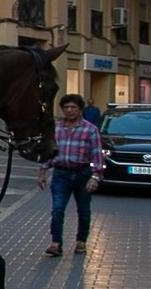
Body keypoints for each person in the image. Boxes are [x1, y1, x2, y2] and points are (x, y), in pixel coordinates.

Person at [39, 93, 105, 256]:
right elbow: (49, 153)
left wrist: (95, 176)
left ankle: (81, 241)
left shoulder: (90, 130)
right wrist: (42, 172)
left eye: (73, 107)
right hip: (61, 174)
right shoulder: (56, 128)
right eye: (66, 107)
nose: (69, 110)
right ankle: (56, 243)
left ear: (80, 109)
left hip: (82, 174)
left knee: (83, 210)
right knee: (57, 209)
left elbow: (97, 154)